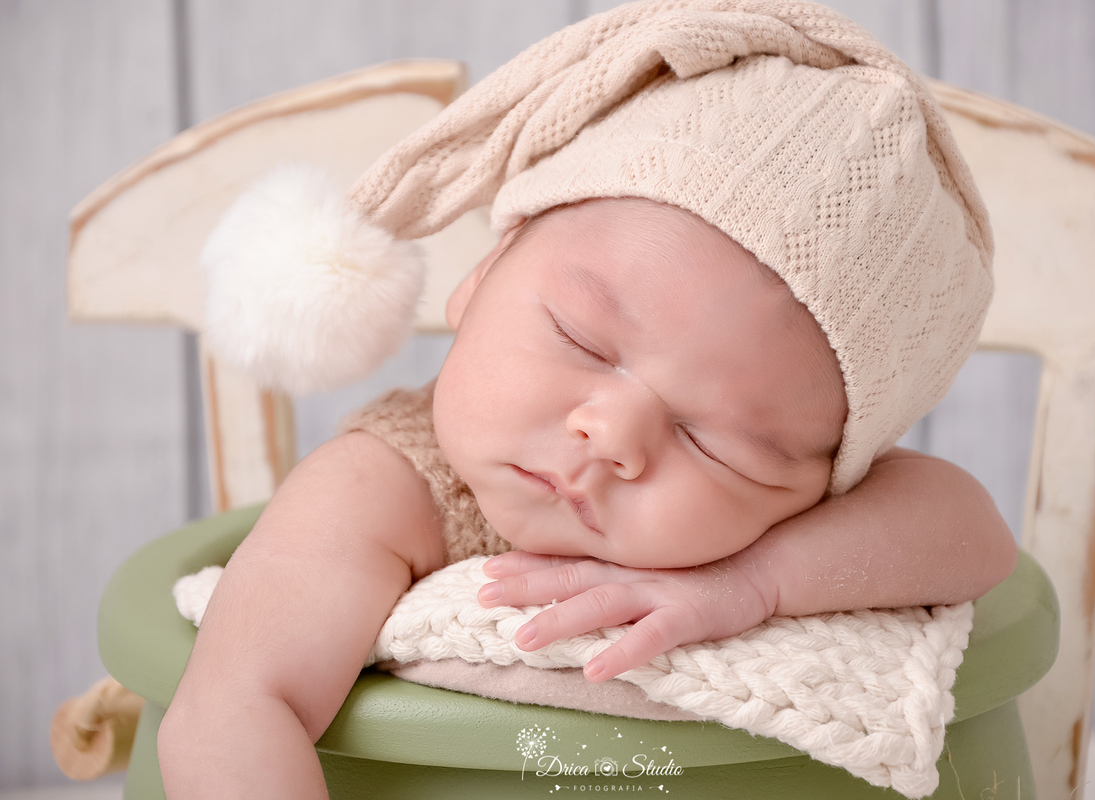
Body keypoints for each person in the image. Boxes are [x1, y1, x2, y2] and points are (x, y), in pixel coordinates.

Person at [157, 2, 1018, 797]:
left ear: (821, 480)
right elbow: (232, 710)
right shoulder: (381, 490)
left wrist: (754, 581)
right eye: (583, 340)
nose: (612, 435)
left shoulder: (768, 530)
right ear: (482, 276)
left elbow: (972, 532)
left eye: (718, 444)